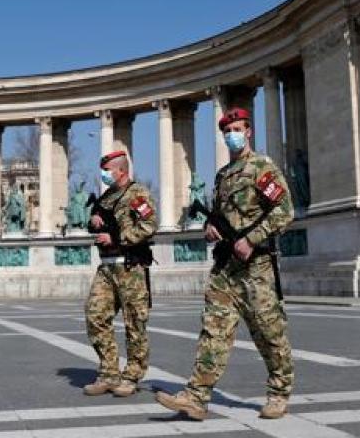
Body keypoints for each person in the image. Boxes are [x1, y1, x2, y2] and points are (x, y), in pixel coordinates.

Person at [155, 107, 295, 420]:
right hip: (226, 267)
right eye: (226, 130)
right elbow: (219, 217)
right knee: (213, 331)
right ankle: (196, 396)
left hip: (256, 267)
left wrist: (253, 238)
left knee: (268, 332)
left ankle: (278, 392)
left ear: (248, 132)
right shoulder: (222, 176)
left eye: (237, 128)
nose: (231, 134)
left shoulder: (262, 167)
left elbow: (284, 211)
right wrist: (210, 231)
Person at [83, 150, 157, 398]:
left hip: (130, 266)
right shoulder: (106, 197)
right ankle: (108, 371)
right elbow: (97, 219)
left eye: (108, 170)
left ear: (122, 171)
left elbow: (149, 225)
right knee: (95, 314)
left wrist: (116, 237)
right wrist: (94, 220)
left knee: (134, 322)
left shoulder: (138, 194)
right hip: (106, 266)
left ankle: (133, 374)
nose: (103, 174)